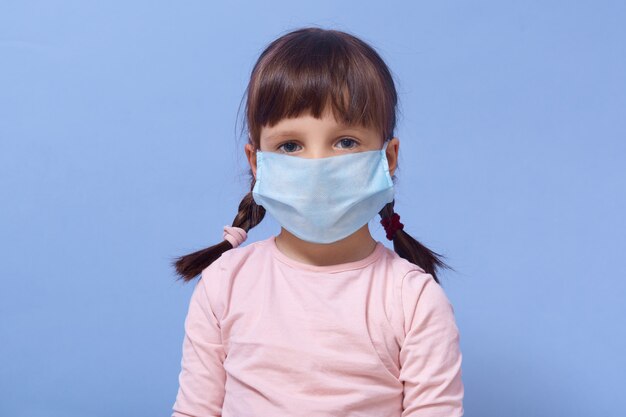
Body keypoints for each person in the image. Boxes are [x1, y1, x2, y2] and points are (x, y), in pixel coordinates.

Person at [170, 26, 464, 417]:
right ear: (257, 163)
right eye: (290, 146)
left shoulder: (413, 301)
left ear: (388, 159)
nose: (318, 166)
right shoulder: (225, 283)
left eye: (346, 142)